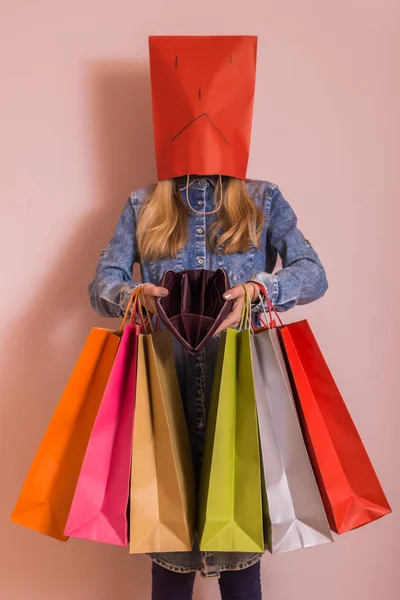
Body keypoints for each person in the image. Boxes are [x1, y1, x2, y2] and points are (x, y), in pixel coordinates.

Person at [88, 174, 328, 600]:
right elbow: (102, 283)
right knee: (169, 563)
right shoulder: (143, 202)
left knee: (239, 566)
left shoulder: (262, 200)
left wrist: (260, 290)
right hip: (165, 403)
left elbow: (312, 274)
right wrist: (133, 294)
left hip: (238, 403)